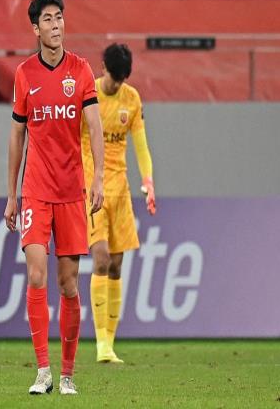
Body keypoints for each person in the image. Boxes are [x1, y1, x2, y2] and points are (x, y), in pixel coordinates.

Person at [4, 0, 104, 395]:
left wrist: (98, 179)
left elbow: (94, 126)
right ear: (35, 28)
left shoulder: (80, 70)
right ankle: (43, 371)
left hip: (71, 191)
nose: (56, 24)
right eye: (47, 19)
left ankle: (66, 375)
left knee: (68, 284)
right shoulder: (24, 74)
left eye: (59, 17)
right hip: (35, 190)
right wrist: (11, 195)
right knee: (35, 273)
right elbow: (17, 134)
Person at [81, 43, 156, 363]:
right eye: (113, 79)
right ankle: (101, 343)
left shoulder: (132, 99)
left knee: (116, 264)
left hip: (121, 190)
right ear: (103, 69)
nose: (116, 85)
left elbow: (141, 145)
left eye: (121, 80)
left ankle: (109, 344)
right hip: (92, 188)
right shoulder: (88, 95)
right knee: (99, 258)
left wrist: (148, 181)